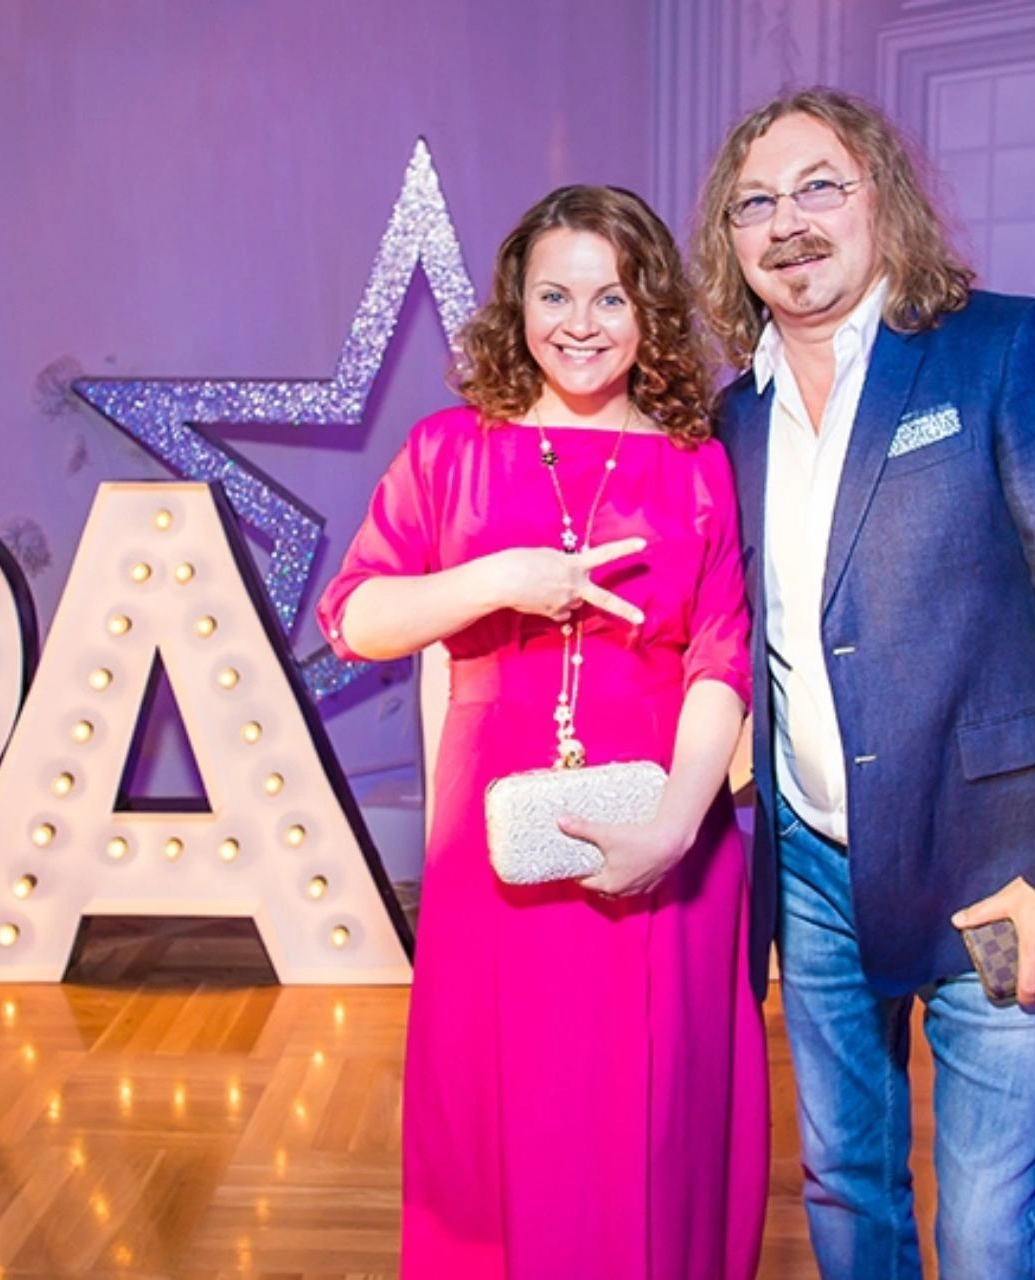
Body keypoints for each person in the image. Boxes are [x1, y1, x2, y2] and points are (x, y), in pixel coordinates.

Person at [694, 88, 1035, 1278]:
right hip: (813, 869)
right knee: (844, 1185)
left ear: (883, 199)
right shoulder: (735, 415)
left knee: (987, 1230)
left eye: (819, 186)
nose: (788, 222)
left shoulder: (1009, 348)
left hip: (1001, 868)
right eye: (756, 202)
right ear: (731, 238)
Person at [317, 184, 767, 1279]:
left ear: (651, 308)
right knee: (503, 1101)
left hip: (667, 821)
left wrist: (674, 827)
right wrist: (498, 580)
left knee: (652, 1113)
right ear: (515, 304)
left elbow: (721, 654)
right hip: (493, 834)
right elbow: (354, 617)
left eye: (612, 296)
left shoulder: (697, 461)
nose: (581, 323)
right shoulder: (448, 452)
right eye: (554, 294)